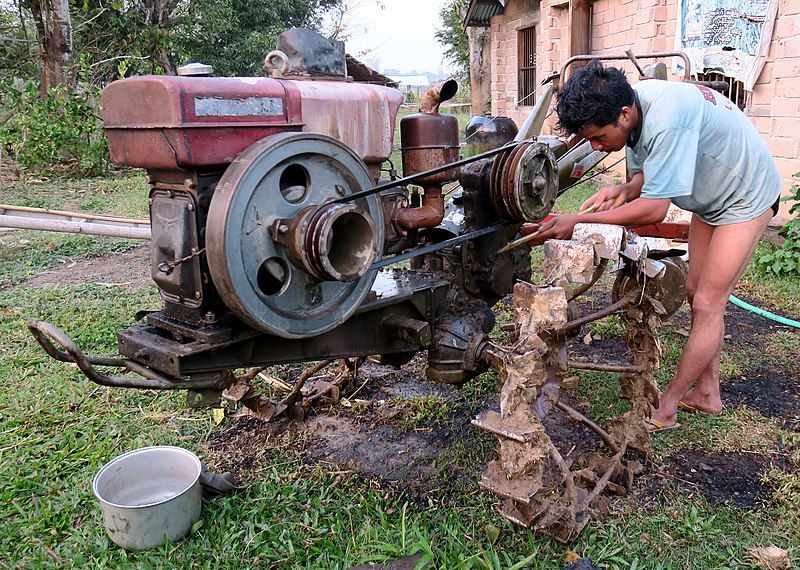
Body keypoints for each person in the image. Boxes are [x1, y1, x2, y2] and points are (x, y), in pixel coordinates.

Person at [526, 60, 782, 432]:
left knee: (710, 302)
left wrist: (576, 221)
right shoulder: (635, 108)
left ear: (624, 114)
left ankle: (667, 407)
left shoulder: (667, 117)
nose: (596, 146)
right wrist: (627, 188)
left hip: (746, 196)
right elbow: (653, 173)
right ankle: (707, 392)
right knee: (696, 292)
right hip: (712, 198)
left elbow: (653, 209)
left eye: (598, 137)